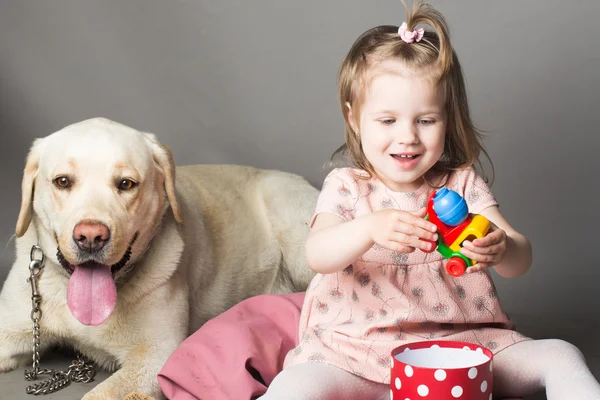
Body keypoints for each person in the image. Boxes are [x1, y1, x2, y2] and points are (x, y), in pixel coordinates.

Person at [260, 1, 600, 399]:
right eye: (387, 120)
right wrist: (369, 227)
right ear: (354, 118)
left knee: (561, 354)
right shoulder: (349, 187)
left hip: (463, 350)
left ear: (447, 118)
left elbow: (519, 261)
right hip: (355, 352)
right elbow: (318, 255)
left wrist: (500, 245)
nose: (407, 136)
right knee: (296, 386)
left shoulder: (460, 184)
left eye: (425, 120)